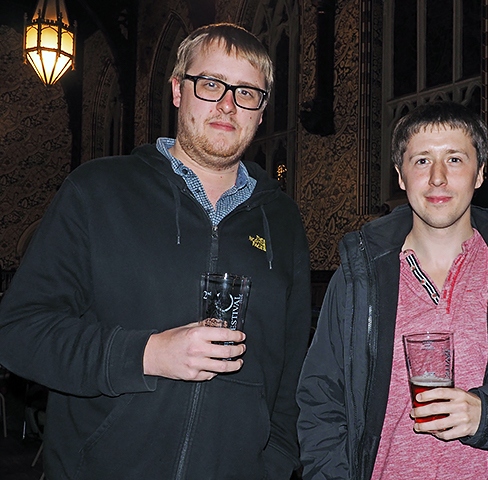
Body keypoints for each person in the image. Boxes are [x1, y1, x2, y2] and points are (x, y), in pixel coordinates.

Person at [0, 23, 311, 479]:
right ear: (177, 91)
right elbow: (18, 333)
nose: (228, 103)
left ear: (261, 112)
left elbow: (290, 375)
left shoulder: (283, 222)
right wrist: (147, 354)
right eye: (211, 84)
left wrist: (275, 465)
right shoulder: (97, 190)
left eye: (247, 92)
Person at [296, 101, 488, 479]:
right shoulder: (357, 279)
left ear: (479, 174)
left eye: (456, 160)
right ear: (400, 176)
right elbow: (321, 404)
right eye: (422, 161)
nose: (438, 178)